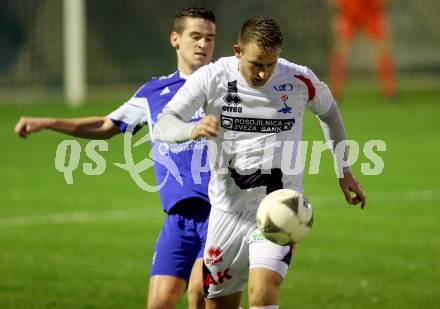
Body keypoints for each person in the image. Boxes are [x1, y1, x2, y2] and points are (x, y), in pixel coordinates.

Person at [153, 15, 366, 309]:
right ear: (237, 51)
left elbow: (329, 113)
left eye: (271, 64)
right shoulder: (212, 77)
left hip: (281, 209)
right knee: (216, 304)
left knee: (262, 292)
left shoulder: (298, 79)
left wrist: (344, 169)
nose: (264, 74)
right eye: (256, 64)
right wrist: (192, 129)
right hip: (227, 211)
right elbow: (164, 124)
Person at [14, 7, 216, 309]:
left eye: (210, 38)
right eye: (195, 36)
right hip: (177, 218)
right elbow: (106, 125)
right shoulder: (154, 92)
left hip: (219, 212)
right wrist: (48, 122)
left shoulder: (226, 87)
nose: (203, 44)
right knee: (159, 303)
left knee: (199, 293)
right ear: (175, 39)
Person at [328, 0, 396, 99]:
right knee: (341, 51)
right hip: (351, 9)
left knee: (383, 50)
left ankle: (389, 91)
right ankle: (335, 92)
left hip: (369, 9)